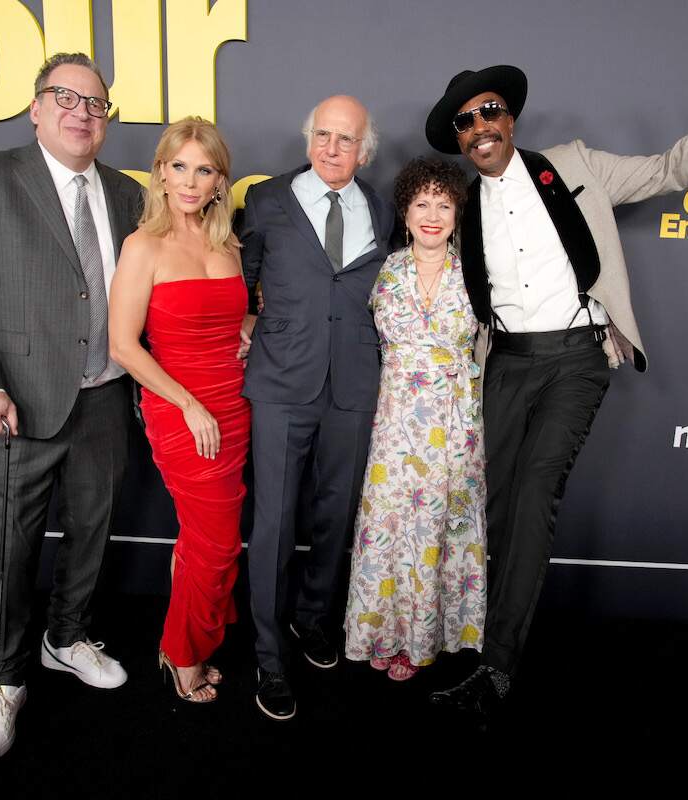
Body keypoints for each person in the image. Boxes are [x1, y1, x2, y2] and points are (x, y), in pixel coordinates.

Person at [424, 20, 688, 720]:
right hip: (502, 365)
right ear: (457, 137)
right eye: (465, 120)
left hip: (574, 361)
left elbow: (670, 169)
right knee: (497, 509)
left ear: (511, 117)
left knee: (536, 490)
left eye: (490, 111)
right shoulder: (462, 208)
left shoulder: (572, 165)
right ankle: (478, 640)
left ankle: (498, 666)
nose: (480, 126)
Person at [0, 53, 144, 760]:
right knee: (12, 549)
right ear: (35, 108)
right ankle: (4, 681)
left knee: (94, 531)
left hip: (107, 395)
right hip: (18, 401)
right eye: (66, 97)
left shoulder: (124, 192)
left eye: (96, 103)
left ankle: (67, 637)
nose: (82, 113)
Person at [241, 95, 394, 720]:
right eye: (323, 136)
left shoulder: (385, 210)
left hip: (355, 386)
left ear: (365, 151)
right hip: (280, 382)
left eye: (346, 139)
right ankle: (269, 657)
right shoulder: (266, 200)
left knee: (337, 516)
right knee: (273, 524)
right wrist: (249, 318)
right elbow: (239, 278)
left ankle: (312, 619)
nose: (333, 148)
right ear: (309, 140)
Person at [108, 118, 249, 703]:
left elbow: (228, 316)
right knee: (216, 544)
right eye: (180, 166)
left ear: (220, 181)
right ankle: (181, 651)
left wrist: (248, 327)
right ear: (161, 172)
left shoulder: (226, 243)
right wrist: (189, 404)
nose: (191, 181)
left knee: (203, 540)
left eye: (205, 169)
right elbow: (122, 345)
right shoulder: (143, 246)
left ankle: (187, 639)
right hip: (181, 410)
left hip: (235, 405)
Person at [342, 158, 485, 681]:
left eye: (443, 204)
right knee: (389, 527)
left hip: (452, 421)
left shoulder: (477, 273)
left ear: (457, 213)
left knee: (438, 528)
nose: (432, 214)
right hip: (395, 419)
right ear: (404, 212)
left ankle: (424, 639)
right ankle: (381, 632)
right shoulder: (383, 270)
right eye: (421, 203)